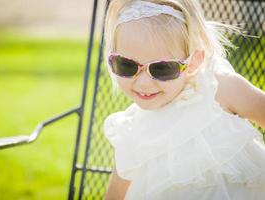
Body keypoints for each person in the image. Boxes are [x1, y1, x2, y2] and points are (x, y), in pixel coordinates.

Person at [102, 0, 265, 199]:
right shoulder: (132, 129)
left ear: (193, 62)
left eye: (162, 68)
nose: (143, 83)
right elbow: (115, 195)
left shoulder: (218, 90)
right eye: (126, 65)